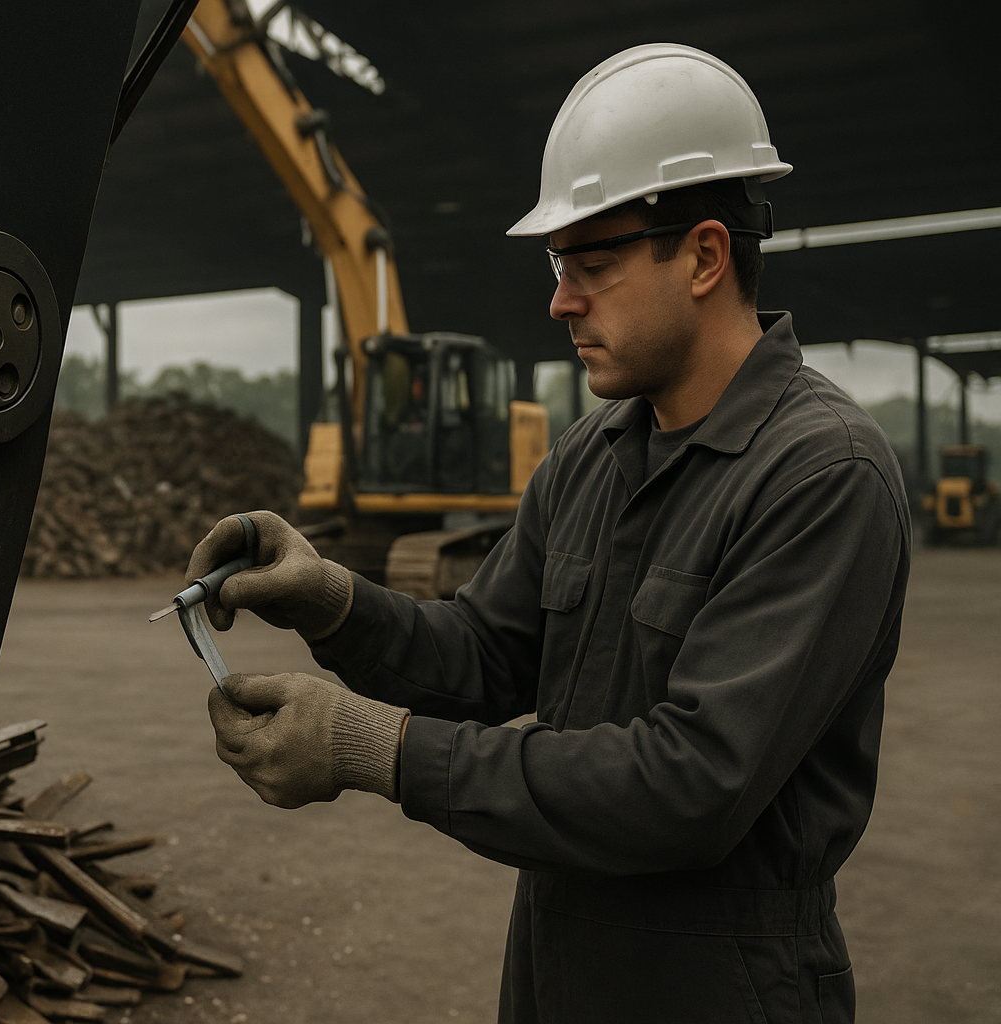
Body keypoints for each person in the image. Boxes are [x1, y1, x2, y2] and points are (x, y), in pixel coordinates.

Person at [188, 43, 909, 1023]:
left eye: (592, 265)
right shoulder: (591, 455)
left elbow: (689, 786)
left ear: (703, 255)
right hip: (557, 961)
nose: (560, 299)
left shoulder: (821, 475)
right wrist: (330, 596)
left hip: (720, 984)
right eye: (558, 265)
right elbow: (485, 656)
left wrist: (376, 748)